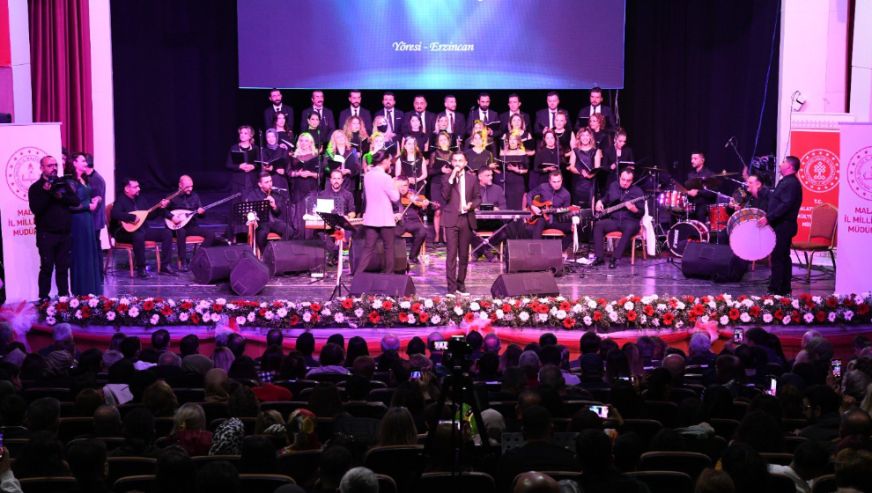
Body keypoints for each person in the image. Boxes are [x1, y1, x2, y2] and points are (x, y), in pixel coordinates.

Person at [29, 155, 77, 299]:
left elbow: (75, 201)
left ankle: (64, 298)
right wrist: (48, 193)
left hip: (64, 234)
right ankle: (43, 298)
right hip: (46, 235)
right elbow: (36, 209)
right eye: (50, 166)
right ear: (42, 168)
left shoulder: (62, 184)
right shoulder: (36, 188)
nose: (54, 168)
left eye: (55, 165)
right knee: (47, 267)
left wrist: (59, 196)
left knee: (63, 267)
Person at [109, 177, 176, 278]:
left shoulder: (140, 198)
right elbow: (115, 214)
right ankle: (141, 269)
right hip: (123, 232)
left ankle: (165, 266)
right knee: (138, 235)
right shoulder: (120, 200)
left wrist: (160, 208)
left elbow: (149, 216)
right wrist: (131, 217)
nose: (139, 189)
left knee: (166, 233)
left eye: (138, 186)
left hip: (141, 230)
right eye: (135, 187)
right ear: (127, 189)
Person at [759, 156, 803, 295]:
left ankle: (775, 290)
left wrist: (769, 218)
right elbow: (777, 200)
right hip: (781, 225)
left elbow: (785, 205)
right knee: (782, 256)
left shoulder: (791, 183)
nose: (780, 164)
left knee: (778, 257)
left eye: (783, 162)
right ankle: (784, 288)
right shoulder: (786, 182)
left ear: (790, 166)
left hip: (784, 225)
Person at [354, 150, 401, 275]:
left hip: (371, 218)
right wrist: (395, 186)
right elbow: (395, 198)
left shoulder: (367, 175)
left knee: (368, 248)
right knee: (389, 248)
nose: (390, 163)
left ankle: (358, 275)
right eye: (389, 160)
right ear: (384, 161)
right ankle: (388, 276)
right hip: (385, 218)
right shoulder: (386, 178)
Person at [441, 151, 480, 296]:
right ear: (451, 163)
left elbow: (478, 197)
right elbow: (445, 196)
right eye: (455, 160)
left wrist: (471, 205)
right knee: (451, 254)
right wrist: (452, 177)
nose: (457, 163)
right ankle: (451, 288)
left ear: (465, 163)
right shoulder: (446, 178)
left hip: (466, 219)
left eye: (460, 160)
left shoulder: (472, 178)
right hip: (451, 219)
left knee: (463, 255)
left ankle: (460, 284)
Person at [591, 168, 644, 268]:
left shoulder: (637, 191)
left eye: (628, 181)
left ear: (632, 181)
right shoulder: (613, 186)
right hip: (614, 220)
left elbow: (641, 212)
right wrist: (599, 202)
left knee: (629, 228)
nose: (625, 183)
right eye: (623, 179)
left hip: (630, 221)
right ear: (619, 177)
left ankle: (615, 258)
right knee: (598, 225)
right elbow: (605, 199)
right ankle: (599, 258)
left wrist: (634, 209)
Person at [67, 153, 103, 295]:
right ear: (74, 163)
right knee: (80, 252)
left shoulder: (84, 179)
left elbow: (87, 197)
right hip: (78, 220)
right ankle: (80, 289)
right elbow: (69, 205)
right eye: (82, 160)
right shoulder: (70, 181)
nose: (85, 163)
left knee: (89, 252)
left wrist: (96, 199)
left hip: (88, 219)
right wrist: (88, 206)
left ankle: (91, 288)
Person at [165, 175, 217, 271]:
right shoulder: (172, 197)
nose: (190, 189)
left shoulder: (195, 196)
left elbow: (201, 216)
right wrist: (172, 217)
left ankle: (196, 258)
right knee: (181, 232)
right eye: (187, 187)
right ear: (180, 185)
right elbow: (163, 211)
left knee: (211, 234)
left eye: (191, 186)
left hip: (191, 226)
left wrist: (202, 212)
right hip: (176, 227)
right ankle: (183, 262)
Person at [244, 172, 295, 252]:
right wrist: (262, 205)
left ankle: (278, 251)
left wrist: (274, 205)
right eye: (266, 182)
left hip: (273, 221)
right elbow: (249, 213)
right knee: (261, 235)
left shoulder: (275, 194)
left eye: (270, 181)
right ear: (260, 184)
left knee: (289, 231)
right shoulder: (253, 195)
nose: (270, 184)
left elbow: (278, 213)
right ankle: (265, 254)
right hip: (261, 223)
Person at [527, 171, 573, 248]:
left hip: (556, 220)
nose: (557, 184)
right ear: (549, 181)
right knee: (539, 222)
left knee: (574, 228)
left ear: (562, 180)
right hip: (542, 219)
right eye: (554, 182)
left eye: (559, 181)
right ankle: (536, 250)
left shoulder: (566, 194)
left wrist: (558, 211)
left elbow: (565, 213)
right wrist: (532, 206)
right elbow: (529, 195)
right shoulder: (543, 187)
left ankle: (560, 250)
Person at [288, 133, 322, 237]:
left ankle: (310, 239)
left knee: (311, 214)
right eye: (301, 140)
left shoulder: (316, 156)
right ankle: (300, 240)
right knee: (299, 215)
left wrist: (310, 174)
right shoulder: (294, 156)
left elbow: (321, 175)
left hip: (312, 188)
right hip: (298, 188)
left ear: (311, 143)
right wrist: (298, 173)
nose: (303, 143)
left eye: (306, 141)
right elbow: (288, 172)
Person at [471, 168, 506, 261]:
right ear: (480, 177)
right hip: (476, 222)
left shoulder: (498, 189)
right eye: (487, 175)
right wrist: (473, 208)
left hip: (493, 222)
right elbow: (467, 205)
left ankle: (478, 252)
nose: (491, 177)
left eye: (491, 175)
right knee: (466, 230)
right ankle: (487, 253)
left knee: (504, 233)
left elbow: (503, 207)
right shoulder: (472, 189)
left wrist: (498, 209)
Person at [394, 176, 430, 265]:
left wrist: (424, 207)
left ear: (408, 186)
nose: (402, 188)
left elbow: (422, 212)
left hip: (412, 221)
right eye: (400, 186)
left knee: (422, 231)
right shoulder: (392, 196)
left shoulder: (412, 195)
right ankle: (396, 257)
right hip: (398, 222)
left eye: (405, 185)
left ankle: (413, 256)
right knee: (392, 233)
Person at [428, 131, 454, 245]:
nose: (443, 142)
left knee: (446, 211)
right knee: (438, 211)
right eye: (441, 140)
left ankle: (445, 236)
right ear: (438, 142)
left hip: (449, 184)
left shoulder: (453, 155)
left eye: (445, 139)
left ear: (449, 141)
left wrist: (452, 171)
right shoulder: (434, 154)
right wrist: (441, 170)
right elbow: (429, 171)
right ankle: (437, 235)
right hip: (436, 184)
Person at [568, 127, 603, 208]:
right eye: (583, 135)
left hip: (591, 183)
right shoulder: (575, 151)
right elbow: (570, 167)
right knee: (577, 208)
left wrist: (590, 175)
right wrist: (581, 172)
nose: (585, 138)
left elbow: (597, 168)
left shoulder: (596, 151)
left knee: (590, 207)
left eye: (587, 135)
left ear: (590, 137)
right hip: (578, 183)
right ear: (579, 137)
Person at [324, 129, 361, 197]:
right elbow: (325, 168)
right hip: (333, 183)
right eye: (338, 137)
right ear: (334, 140)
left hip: (348, 183)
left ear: (345, 137)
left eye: (342, 136)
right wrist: (335, 171)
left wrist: (349, 171)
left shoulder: (353, 150)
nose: (340, 138)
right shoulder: (329, 152)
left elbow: (357, 167)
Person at [225, 125, 259, 196]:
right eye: (241, 133)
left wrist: (253, 166)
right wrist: (239, 166)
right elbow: (228, 164)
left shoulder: (255, 148)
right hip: (238, 182)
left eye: (245, 133)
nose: (242, 135)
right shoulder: (234, 148)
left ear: (250, 136)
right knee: (238, 201)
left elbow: (259, 163)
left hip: (252, 181)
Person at [501, 130, 531, 210]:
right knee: (508, 205)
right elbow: (500, 168)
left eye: (514, 139)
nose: (512, 141)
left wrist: (517, 170)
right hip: (506, 182)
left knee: (517, 205)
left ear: (518, 141)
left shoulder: (522, 153)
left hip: (518, 181)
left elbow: (527, 170)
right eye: (510, 139)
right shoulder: (503, 153)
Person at [685, 151, 717, 222]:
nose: (692, 161)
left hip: (705, 204)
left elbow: (713, 192)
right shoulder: (690, 175)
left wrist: (698, 192)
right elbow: (687, 189)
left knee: (700, 211)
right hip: (692, 204)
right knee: (677, 212)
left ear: (702, 160)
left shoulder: (709, 174)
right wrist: (687, 192)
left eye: (695, 159)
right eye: (691, 159)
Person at [82, 155, 106, 245]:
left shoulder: (97, 179)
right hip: (91, 218)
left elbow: (98, 199)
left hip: (95, 219)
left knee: (94, 244)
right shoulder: (87, 177)